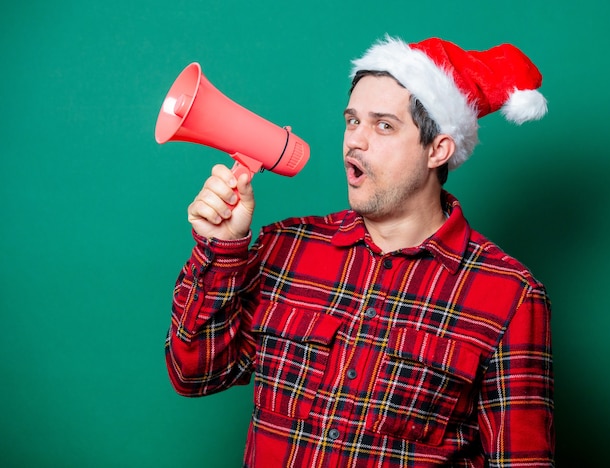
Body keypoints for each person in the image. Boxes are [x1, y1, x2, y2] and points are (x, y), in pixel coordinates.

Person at [165, 35, 554, 467]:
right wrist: (222, 250)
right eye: (352, 121)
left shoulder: (509, 295)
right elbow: (194, 373)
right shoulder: (285, 248)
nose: (355, 141)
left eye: (383, 125)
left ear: (437, 148)